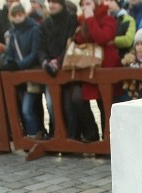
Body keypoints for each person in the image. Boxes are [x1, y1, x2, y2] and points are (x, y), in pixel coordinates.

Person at [70, 0, 120, 142]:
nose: (85, 7)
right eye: (83, 4)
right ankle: (91, 133)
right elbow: (81, 41)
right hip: (89, 68)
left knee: (104, 104)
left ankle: (107, 140)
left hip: (106, 67)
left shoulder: (107, 19)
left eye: (88, 3)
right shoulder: (83, 22)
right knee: (77, 98)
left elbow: (102, 38)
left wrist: (91, 19)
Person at [38, 0, 80, 137]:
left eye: (54, 2)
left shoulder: (71, 19)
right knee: (51, 106)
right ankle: (58, 137)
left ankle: (72, 139)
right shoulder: (45, 23)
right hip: (50, 70)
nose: (51, 5)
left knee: (68, 106)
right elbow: (41, 47)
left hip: (66, 68)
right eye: (49, 2)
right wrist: (45, 61)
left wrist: (58, 61)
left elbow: (71, 44)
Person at [3, 2, 45, 139]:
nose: (18, 17)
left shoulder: (34, 29)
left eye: (20, 14)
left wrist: (19, 65)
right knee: (28, 108)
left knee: (28, 108)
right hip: (19, 76)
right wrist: (9, 63)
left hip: (31, 73)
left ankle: (34, 135)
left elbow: (34, 53)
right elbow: (10, 51)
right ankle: (36, 133)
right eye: (15, 15)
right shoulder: (13, 32)